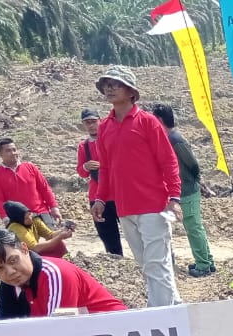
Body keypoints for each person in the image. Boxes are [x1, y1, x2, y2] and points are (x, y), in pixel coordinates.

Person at [90, 65, 183, 308]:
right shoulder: (104, 127)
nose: (110, 88)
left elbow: (168, 160)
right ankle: (173, 307)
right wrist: (101, 198)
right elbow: (106, 167)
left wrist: (174, 197)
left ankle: (160, 315)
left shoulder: (147, 122)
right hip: (124, 207)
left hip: (153, 205)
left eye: (116, 84)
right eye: (107, 84)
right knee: (147, 264)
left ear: (131, 92)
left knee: (155, 263)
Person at [0, 227, 126, 318]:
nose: (9, 272)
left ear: (24, 248)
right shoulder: (9, 283)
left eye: (13, 260)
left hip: (114, 335)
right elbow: (3, 328)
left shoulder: (55, 274)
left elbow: (56, 331)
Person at [152, 103, 215, 277]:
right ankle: (207, 261)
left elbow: (193, 164)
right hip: (184, 189)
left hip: (187, 190)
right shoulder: (169, 138)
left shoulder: (175, 139)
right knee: (195, 228)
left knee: (194, 228)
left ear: (159, 120)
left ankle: (203, 266)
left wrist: (196, 181)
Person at [77, 108, 123, 256]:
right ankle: (117, 261)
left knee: (134, 231)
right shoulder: (83, 146)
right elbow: (82, 172)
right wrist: (85, 166)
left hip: (118, 193)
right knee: (108, 236)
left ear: (100, 120)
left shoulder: (112, 139)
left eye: (93, 121)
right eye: (87, 123)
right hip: (97, 196)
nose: (91, 125)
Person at [0, 138, 61, 228]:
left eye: (14, 149)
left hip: (41, 211)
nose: (13, 153)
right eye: (8, 151)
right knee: (21, 242)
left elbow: (45, 189)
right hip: (18, 217)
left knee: (56, 239)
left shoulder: (30, 167)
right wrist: (5, 218)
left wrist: (54, 207)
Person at [3, 201, 73, 258]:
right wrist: (60, 237)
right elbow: (35, 248)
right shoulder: (15, 227)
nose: (30, 219)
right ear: (18, 219)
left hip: (35, 253)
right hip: (24, 256)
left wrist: (64, 229)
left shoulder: (34, 219)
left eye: (30, 214)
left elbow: (50, 235)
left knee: (59, 245)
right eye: (26, 218)